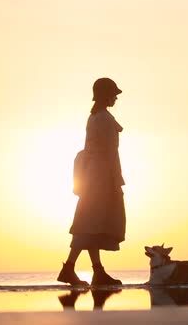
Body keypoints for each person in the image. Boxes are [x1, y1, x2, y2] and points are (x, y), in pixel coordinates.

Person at [57, 77, 126, 286]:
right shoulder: (103, 118)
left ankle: (96, 271)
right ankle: (70, 269)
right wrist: (117, 179)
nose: (115, 97)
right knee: (88, 225)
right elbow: (110, 153)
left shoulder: (95, 117)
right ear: (106, 95)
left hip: (93, 174)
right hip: (100, 176)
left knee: (91, 224)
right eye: (113, 94)